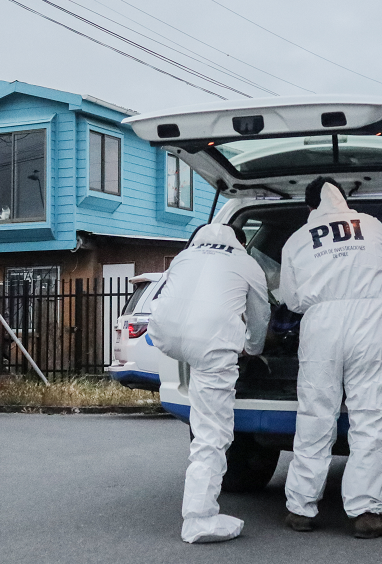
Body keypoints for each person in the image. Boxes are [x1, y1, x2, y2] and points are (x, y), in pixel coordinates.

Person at [278, 177, 382, 539]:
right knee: (372, 414)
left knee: (315, 413)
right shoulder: (374, 226)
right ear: (344, 199)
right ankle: (365, 511)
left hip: (321, 324)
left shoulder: (297, 239)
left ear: (309, 206)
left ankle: (300, 508)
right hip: (371, 321)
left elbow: (291, 299)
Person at [149, 223, 271, 544]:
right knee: (212, 432)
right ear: (241, 242)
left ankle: (201, 511)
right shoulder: (247, 263)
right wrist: (251, 348)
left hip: (164, 334)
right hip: (211, 344)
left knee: (199, 375)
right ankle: (199, 519)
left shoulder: (185, 256)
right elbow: (260, 318)